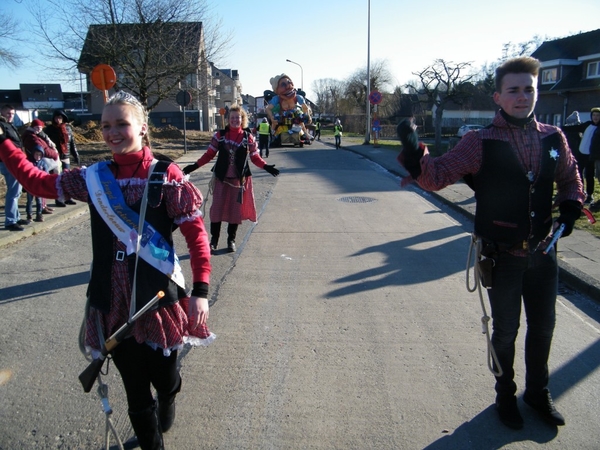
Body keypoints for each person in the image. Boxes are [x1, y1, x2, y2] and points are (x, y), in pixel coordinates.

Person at [0, 91, 214, 449]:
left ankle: (170, 399)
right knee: (134, 390)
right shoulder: (93, 177)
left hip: (159, 300)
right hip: (112, 303)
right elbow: (38, 182)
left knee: (166, 379)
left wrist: (202, 292)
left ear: (143, 128)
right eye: (106, 125)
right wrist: (6, 146)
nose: (112, 132)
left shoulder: (167, 176)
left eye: (122, 124)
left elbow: (197, 237)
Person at [396, 56, 584, 430]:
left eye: (528, 89)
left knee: (544, 326)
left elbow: (570, 176)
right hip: (504, 256)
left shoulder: (553, 136)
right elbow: (436, 177)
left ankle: (537, 392)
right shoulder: (478, 142)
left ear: (537, 92)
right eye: (513, 90)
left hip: (545, 252)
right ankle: (505, 395)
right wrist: (415, 148)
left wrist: (570, 206)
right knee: (506, 329)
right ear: (498, 97)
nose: (522, 97)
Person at [183, 104, 280, 253]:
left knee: (235, 212)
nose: (235, 120)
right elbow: (209, 155)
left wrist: (266, 167)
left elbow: (255, 157)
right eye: (232, 117)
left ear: (242, 119)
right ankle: (214, 241)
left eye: (238, 117)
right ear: (228, 119)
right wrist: (193, 166)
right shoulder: (219, 136)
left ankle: (231, 240)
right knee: (216, 210)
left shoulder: (248, 138)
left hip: (238, 181)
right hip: (221, 179)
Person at [22, 119, 61, 218]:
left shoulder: (37, 134)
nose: (39, 130)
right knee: (42, 185)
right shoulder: (31, 137)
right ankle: (37, 210)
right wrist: (55, 154)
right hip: (38, 162)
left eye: (40, 128)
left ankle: (43, 206)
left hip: (41, 161)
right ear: (32, 127)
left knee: (44, 183)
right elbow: (42, 149)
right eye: (37, 128)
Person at [0, 104, 29, 230]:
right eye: (8, 113)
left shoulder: (10, 125)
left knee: (16, 191)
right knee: (13, 191)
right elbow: (4, 143)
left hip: (16, 161)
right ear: (2, 112)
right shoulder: (1, 125)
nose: (10, 116)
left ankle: (15, 217)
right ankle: (10, 221)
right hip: (9, 162)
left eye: (12, 114)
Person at [562, 108, 600, 204]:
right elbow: (575, 128)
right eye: (594, 115)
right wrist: (561, 128)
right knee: (578, 173)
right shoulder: (587, 124)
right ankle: (580, 192)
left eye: (598, 115)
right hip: (581, 153)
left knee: (589, 175)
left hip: (591, 155)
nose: (595, 117)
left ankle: (590, 195)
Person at [43, 109, 80, 206]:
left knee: (67, 178)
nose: (58, 119)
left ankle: (68, 198)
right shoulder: (49, 129)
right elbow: (45, 143)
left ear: (63, 118)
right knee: (57, 180)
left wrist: (76, 155)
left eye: (60, 117)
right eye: (56, 117)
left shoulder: (68, 128)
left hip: (65, 155)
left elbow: (72, 143)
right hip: (55, 157)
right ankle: (58, 200)